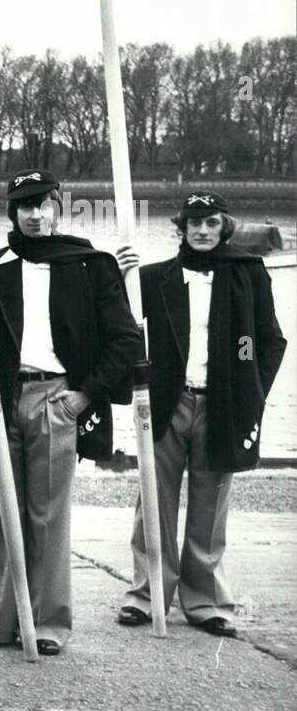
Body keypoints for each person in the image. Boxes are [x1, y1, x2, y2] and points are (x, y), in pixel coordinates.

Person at [0, 168, 140, 655]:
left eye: (44, 204)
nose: (35, 214)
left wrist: (85, 395)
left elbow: (125, 339)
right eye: (25, 206)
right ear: (12, 213)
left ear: (58, 208)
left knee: (47, 515)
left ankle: (49, 623)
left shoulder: (88, 264)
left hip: (58, 399)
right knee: (0, 511)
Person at [114, 192, 286, 637]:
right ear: (182, 227)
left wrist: (252, 394)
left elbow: (270, 341)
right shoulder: (154, 278)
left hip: (222, 406)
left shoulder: (247, 274)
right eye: (194, 223)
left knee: (209, 508)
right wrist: (120, 272)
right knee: (154, 502)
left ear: (223, 225)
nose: (203, 231)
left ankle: (205, 600)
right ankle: (145, 595)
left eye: (211, 222)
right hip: (166, 403)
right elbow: (117, 319)